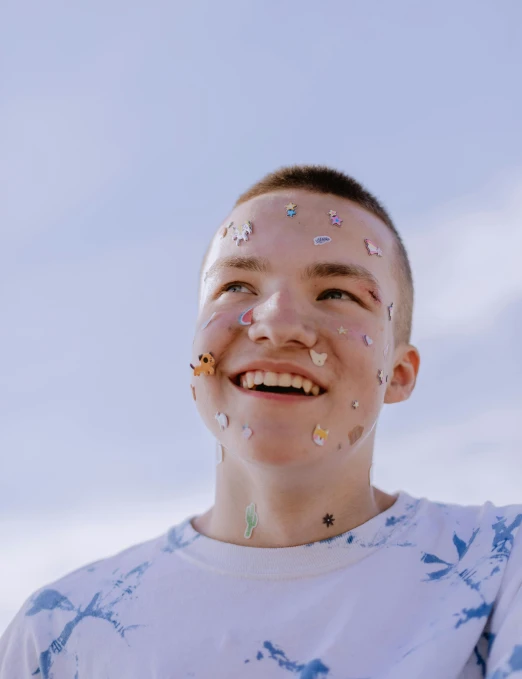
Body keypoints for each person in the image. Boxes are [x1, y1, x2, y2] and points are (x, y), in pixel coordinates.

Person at [1, 164, 521, 679]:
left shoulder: (499, 565)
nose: (276, 323)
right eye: (237, 287)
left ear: (400, 374)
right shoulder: (58, 635)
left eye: (337, 294)